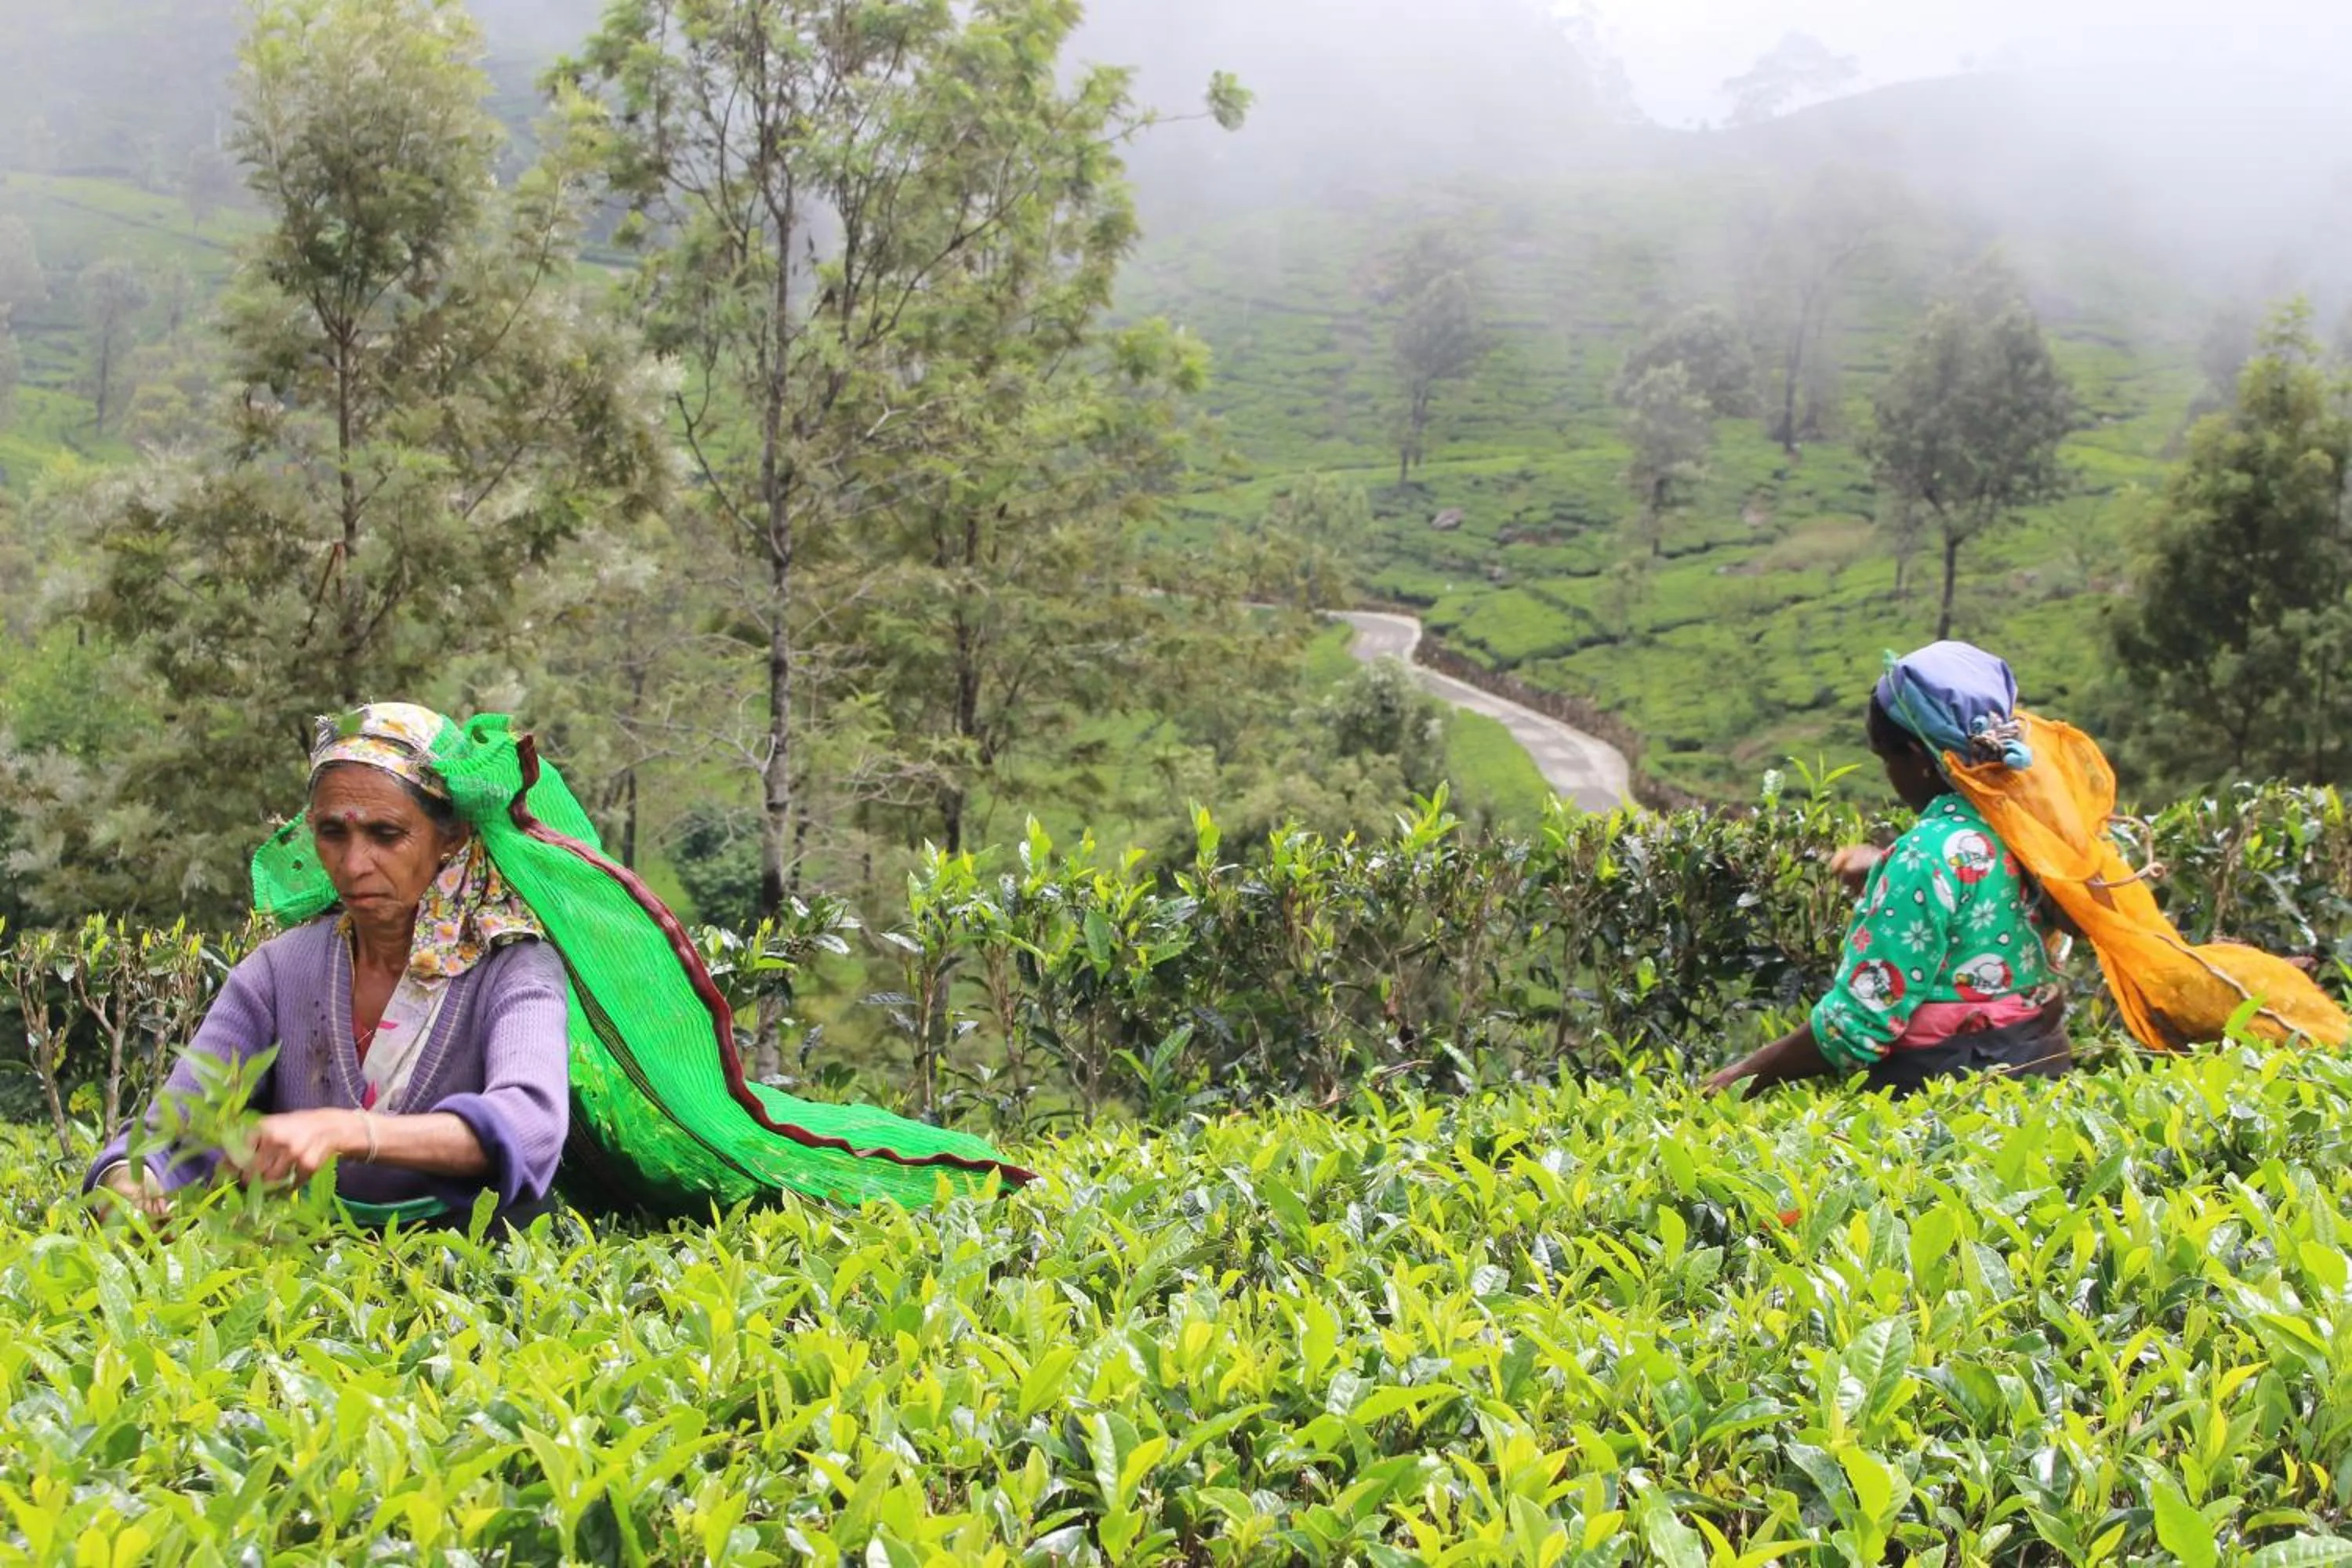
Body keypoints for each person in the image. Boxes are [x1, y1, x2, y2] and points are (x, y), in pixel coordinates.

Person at [87, 704, 570, 1225]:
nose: (354, 864)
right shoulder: (280, 973)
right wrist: (131, 1184)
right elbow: (170, 1133)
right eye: (333, 833)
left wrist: (348, 1131)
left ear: (450, 836)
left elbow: (530, 1124)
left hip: (475, 1260)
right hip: (311, 1260)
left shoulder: (513, 966)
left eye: (386, 834)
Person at [1703, 642, 2074, 1098]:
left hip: (1951, 1092)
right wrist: (1885, 873)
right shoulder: (2033, 826)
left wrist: (1740, 1077)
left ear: (1918, 758)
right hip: (2042, 1074)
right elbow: (1981, 896)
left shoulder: (1925, 856)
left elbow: (1857, 1023)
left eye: (1887, 760)